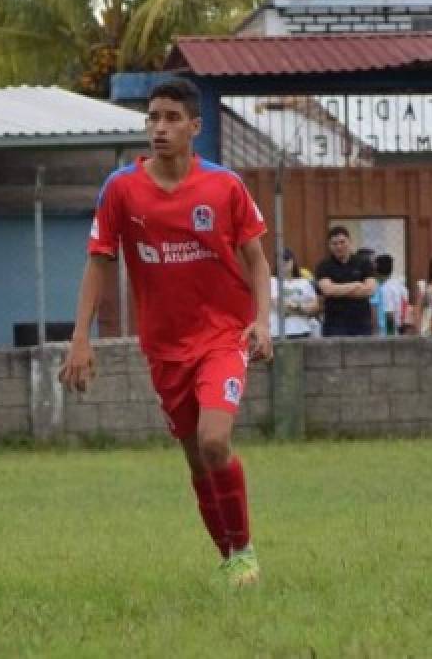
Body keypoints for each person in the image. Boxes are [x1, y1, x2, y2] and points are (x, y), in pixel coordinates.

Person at [58, 77, 272, 587]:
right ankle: (229, 557)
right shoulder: (122, 189)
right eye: (153, 117)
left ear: (195, 127)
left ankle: (244, 552)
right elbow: (99, 261)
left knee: (214, 440)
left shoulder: (224, 186)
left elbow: (257, 260)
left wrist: (262, 320)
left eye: (172, 118)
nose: (159, 127)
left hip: (223, 336)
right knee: (198, 460)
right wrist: (80, 338)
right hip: (164, 346)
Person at [314, 227, 377, 336]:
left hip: (361, 324)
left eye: (342, 242)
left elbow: (370, 290)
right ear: (329, 246)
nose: (339, 246)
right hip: (334, 325)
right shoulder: (324, 266)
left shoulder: (363, 263)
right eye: (334, 243)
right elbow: (327, 290)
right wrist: (356, 285)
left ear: (350, 242)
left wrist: (338, 290)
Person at [269, 248, 318, 339]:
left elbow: (315, 307)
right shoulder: (272, 281)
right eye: (280, 260)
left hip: (303, 330)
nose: (283, 262)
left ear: (293, 261)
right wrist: (303, 309)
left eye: (286, 259)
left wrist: (296, 307)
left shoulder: (304, 282)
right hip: (278, 332)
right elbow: (278, 305)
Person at [374, 254, 410, 337]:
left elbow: (389, 314)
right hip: (400, 329)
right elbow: (405, 307)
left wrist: (390, 337)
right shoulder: (401, 286)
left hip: (387, 332)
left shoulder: (384, 289)